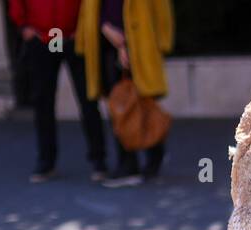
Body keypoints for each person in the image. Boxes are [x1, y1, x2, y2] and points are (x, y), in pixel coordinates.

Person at [75, 0, 173, 187]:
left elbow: (160, 10)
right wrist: (103, 28)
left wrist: (127, 44)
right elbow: (90, 10)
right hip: (105, 46)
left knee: (139, 103)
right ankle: (135, 160)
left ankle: (143, 158)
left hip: (137, 43)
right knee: (120, 105)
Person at [9, 0, 107, 182]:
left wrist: (85, 26)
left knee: (88, 99)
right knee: (43, 102)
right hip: (45, 36)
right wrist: (23, 26)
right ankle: (46, 161)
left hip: (73, 36)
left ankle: (98, 159)